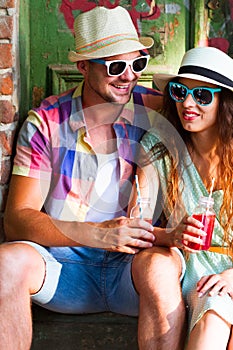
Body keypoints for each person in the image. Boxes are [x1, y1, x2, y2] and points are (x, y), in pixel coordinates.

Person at [0, 6, 186, 350]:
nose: (128, 76)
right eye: (116, 66)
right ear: (83, 66)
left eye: (137, 64)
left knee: (161, 268)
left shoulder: (160, 110)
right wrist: (95, 234)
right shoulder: (47, 123)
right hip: (65, 267)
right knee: (6, 262)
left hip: (132, 269)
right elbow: (17, 221)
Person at [134, 46, 233, 349]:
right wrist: (171, 235)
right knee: (213, 310)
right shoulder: (159, 145)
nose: (188, 103)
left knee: (216, 315)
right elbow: (135, 224)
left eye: (202, 95)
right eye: (180, 91)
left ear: (225, 103)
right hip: (189, 268)